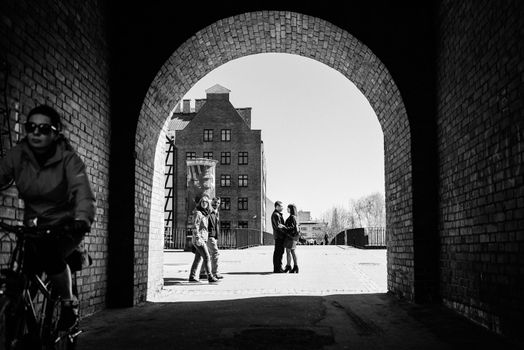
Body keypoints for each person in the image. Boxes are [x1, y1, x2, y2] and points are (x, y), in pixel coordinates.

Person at [0, 104, 96, 328]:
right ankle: (21, 326)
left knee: (51, 255)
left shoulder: (69, 161)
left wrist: (81, 221)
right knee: (25, 270)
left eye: (43, 128)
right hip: (37, 225)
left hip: (67, 224)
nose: (35, 132)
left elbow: (84, 194)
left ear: (55, 132)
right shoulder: (18, 156)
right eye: (30, 127)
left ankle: (68, 303)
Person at [188, 196, 219, 283]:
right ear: (200, 203)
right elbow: (195, 226)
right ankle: (210, 277)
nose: (204, 203)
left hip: (203, 239)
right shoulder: (198, 213)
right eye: (203, 201)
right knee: (207, 257)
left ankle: (192, 276)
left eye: (206, 202)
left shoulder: (205, 214)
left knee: (197, 258)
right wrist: (198, 238)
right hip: (199, 239)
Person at [203, 197, 223, 279]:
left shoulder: (216, 212)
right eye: (214, 203)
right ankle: (215, 273)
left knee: (207, 255)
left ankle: (203, 272)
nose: (216, 204)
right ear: (211, 203)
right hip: (209, 236)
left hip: (213, 236)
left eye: (218, 203)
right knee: (215, 253)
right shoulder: (209, 212)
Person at [281, 204, 300, 273]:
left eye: (288, 208)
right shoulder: (295, 217)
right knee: (293, 252)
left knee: (288, 252)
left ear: (291, 209)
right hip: (293, 237)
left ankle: (289, 266)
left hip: (290, 237)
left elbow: (292, 228)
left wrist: (283, 227)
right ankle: (295, 267)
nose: (287, 209)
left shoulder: (292, 217)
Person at [271, 201, 286, 273]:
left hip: (279, 236)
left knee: (279, 252)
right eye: (281, 206)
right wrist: (285, 231)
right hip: (279, 236)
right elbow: (278, 226)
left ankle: (279, 268)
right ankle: (277, 269)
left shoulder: (277, 214)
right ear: (277, 206)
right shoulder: (276, 215)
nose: (282, 207)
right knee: (278, 252)